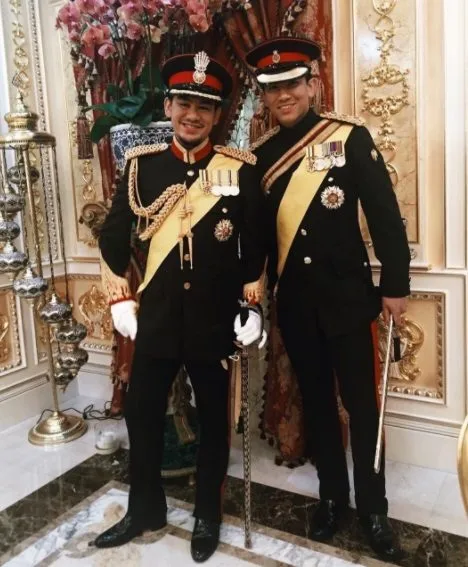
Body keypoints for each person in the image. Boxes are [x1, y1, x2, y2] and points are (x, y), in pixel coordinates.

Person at [93, 51, 266, 563]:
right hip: (159, 319)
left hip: (214, 319)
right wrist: (120, 298)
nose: (193, 115)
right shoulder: (141, 166)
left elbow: (255, 247)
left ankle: (207, 514)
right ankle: (145, 508)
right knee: (142, 415)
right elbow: (112, 237)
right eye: (184, 103)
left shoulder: (240, 170)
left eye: (204, 107)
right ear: (168, 106)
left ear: (217, 116)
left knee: (214, 421)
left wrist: (252, 306)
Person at [246, 38, 411, 562]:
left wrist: (395, 286)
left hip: (348, 300)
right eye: (273, 89)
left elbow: (384, 213)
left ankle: (374, 509)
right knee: (317, 405)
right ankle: (333, 499)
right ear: (264, 97)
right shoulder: (261, 157)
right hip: (296, 304)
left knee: (362, 408)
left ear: (312, 85)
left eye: (293, 84)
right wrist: (249, 294)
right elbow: (258, 239)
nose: (284, 96)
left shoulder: (349, 137)